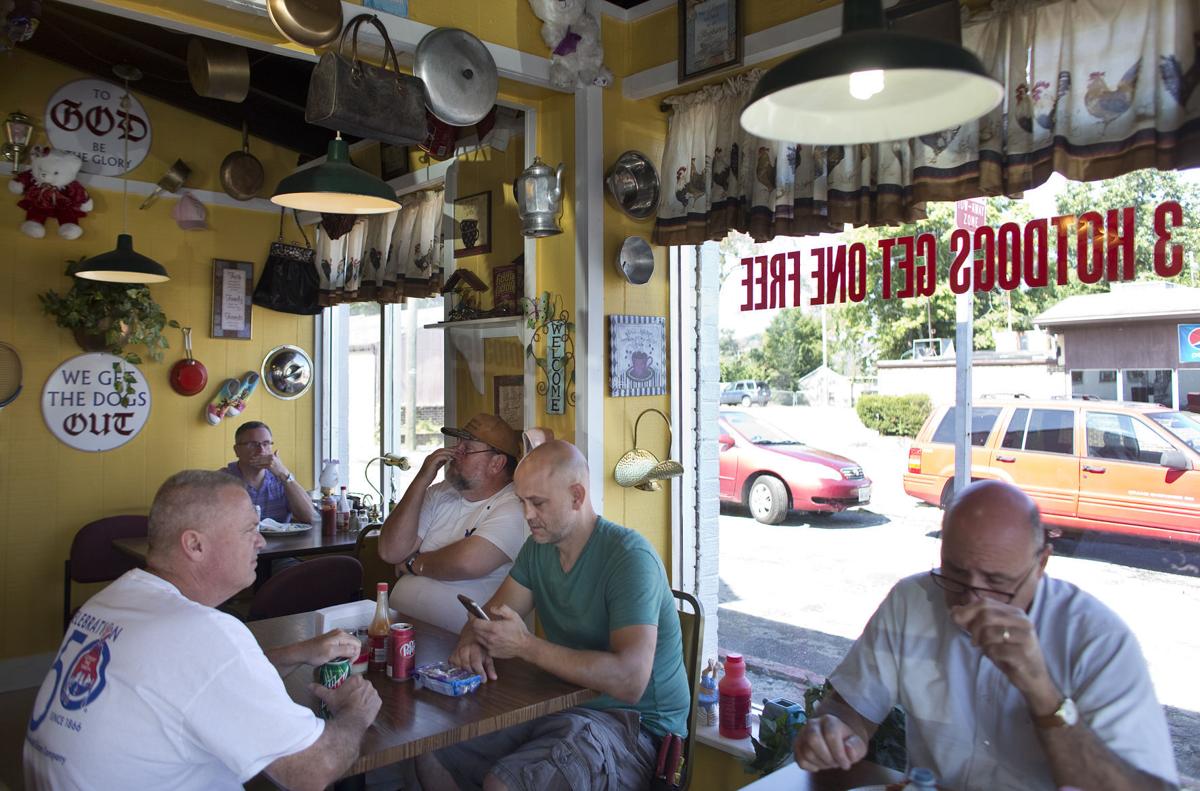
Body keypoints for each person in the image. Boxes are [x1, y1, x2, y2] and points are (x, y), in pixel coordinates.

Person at [792, 479, 1179, 791]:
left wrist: (1044, 695)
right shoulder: (915, 600)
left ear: (1041, 563)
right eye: (955, 574)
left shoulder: (1097, 640)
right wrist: (835, 731)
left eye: (997, 582)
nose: (972, 598)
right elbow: (850, 708)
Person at [24, 470, 380, 791]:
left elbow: (198, 679)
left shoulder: (112, 599)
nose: (261, 542)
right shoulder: (203, 632)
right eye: (249, 530)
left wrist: (298, 652)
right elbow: (311, 771)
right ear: (195, 545)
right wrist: (355, 712)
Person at [416, 440, 690, 791]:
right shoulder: (538, 548)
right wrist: (475, 638)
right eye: (522, 502)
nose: (527, 514)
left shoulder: (629, 558)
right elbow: (493, 617)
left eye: (538, 503)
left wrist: (526, 646)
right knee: (432, 748)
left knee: (504, 783)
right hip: (561, 707)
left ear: (577, 497)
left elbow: (630, 680)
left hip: (638, 730)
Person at [377, 413, 528, 632]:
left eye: (467, 449)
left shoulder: (515, 504)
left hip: (464, 643)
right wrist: (421, 480)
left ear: (497, 463)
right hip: (403, 631)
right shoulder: (440, 492)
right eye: (458, 444)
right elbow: (390, 551)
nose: (456, 452)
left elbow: (467, 562)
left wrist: (412, 563)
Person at [220, 420, 316, 525]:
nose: (261, 450)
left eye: (266, 444)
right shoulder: (221, 480)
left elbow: (310, 517)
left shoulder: (283, 479)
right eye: (253, 444)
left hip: (283, 541)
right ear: (236, 450)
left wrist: (284, 474)